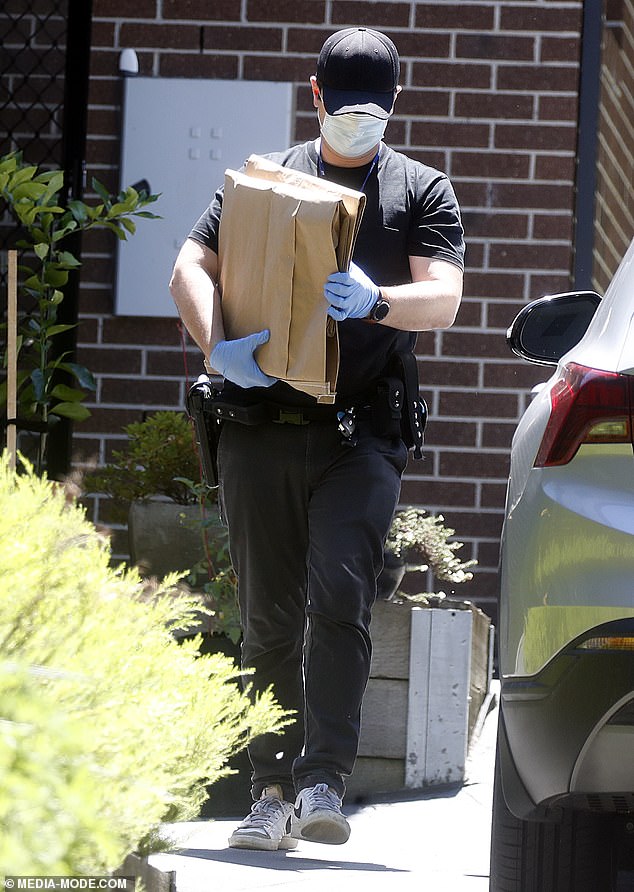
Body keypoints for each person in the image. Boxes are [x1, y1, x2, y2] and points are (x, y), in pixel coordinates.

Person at [169, 26, 465, 851]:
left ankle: (324, 777)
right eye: (344, 105)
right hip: (260, 422)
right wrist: (216, 345)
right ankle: (267, 791)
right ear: (315, 95)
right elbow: (189, 266)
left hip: (360, 430)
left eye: (373, 108)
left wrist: (378, 301)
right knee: (266, 614)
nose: (356, 120)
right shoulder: (267, 183)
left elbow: (442, 299)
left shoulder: (419, 190)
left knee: (339, 592)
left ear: (395, 105)